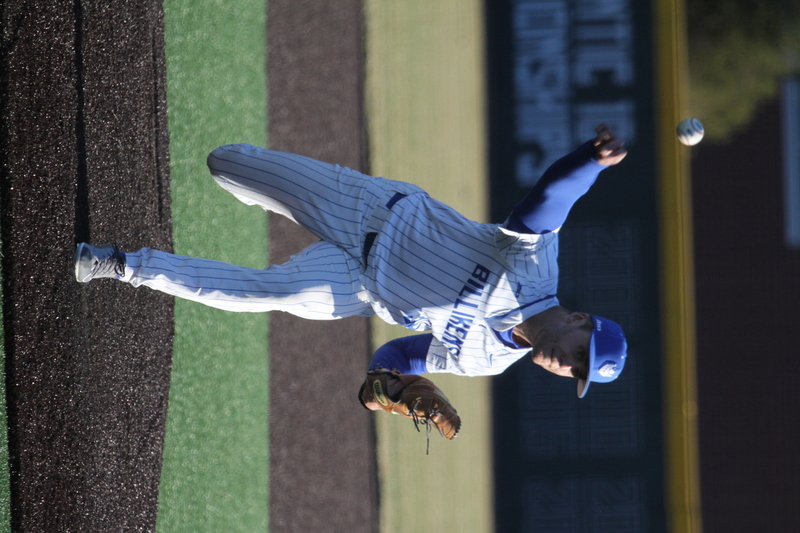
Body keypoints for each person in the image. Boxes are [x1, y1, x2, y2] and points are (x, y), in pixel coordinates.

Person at [75, 123, 629, 444]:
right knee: (224, 163)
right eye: (580, 353)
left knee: (264, 294)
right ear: (579, 320)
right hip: (369, 210)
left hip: (356, 288)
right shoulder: (536, 270)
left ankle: (123, 265)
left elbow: (400, 353)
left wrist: (382, 385)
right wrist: (590, 161)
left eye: (575, 372)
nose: (566, 364)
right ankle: (240, 186)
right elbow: (547, 202)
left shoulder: (487, 361)